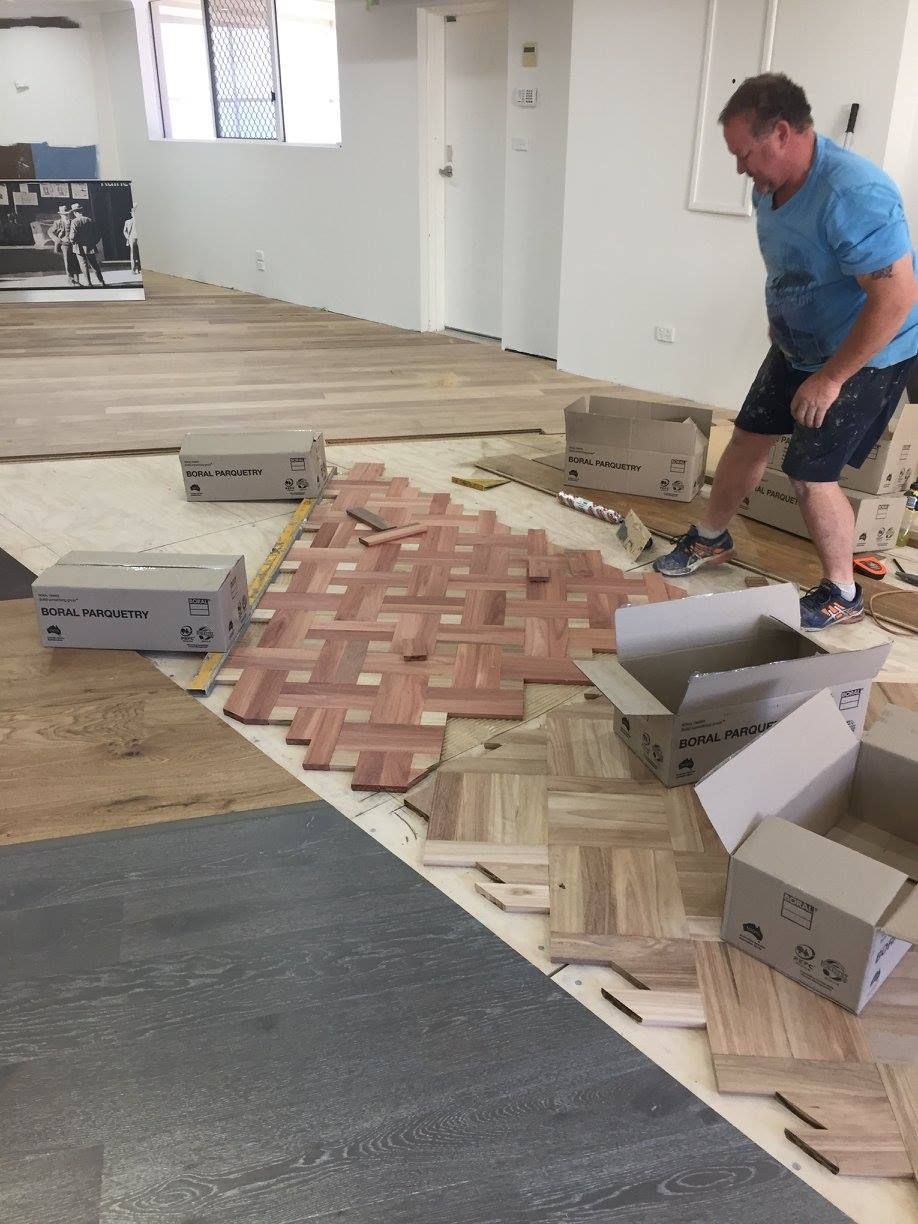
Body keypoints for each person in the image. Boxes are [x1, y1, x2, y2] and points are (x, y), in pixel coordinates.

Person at [654, 73, 918, 630]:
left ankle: (842, 593)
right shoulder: (768, 184)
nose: (739, 168)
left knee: (809, 473)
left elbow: (896, 297)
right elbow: (793, 263)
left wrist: (831, 379)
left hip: (866, 351)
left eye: (743, 153)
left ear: (780, 133)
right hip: (799, 346)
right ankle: (711, 538)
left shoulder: (854, 193)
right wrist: (783, 324)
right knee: (749, 435)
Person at [68, 202, 107, 288]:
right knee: (94, 265)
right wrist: (93, 242)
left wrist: (72, 242)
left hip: (79, 247)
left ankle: (89, 283)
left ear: (75, 213)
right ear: (81, 211)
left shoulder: (74, 221)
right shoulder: (89, 220)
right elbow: (98, 234)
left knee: (83, 265)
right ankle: (102, 281)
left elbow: (72, 236)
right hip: (90, 246)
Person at [48, 204, 79, 285]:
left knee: (76, 261)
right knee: (68, 262)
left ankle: (77, 280)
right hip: (64, 245)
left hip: (74, 244)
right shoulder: (57, 222)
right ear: (60, 214)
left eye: (66, 214)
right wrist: (57, 240)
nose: (65, 215)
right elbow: (50, 232)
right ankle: (71, 280)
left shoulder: (72, 221)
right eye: (63, 214)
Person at [123, 205, 140, 274]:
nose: (134, 214)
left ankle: (139, 268)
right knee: (133, 255)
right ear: (131, 213)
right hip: (132, 239)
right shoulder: (128, 222)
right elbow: (125, 231)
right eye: (132, 212)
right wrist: (128, 237)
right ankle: (133, 269)